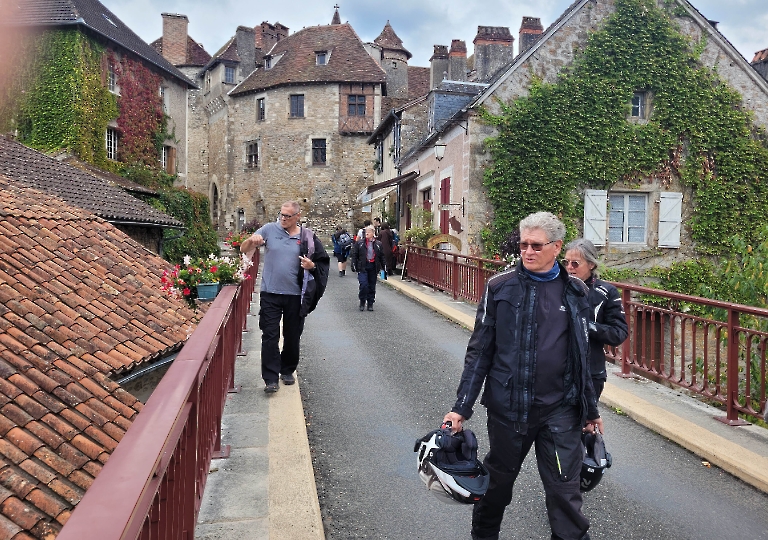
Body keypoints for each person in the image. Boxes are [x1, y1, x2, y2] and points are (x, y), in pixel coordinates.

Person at [443, 211, 602, 540]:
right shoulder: (499, 288)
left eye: (535, 245)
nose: (527, 251)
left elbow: (581, 356)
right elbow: (480, 351)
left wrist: (590, 411)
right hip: (510, 409)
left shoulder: (576, 292)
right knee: (496, 487)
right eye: (523, 244)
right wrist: (461, 407)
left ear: (556, 247)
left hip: (560, 410)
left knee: (565, 494)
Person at [240, 201, 330, 393]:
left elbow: (322, 262)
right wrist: (252, 241)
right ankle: (270, 379)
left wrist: (311, 266)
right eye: (281, 214)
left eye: (287, 216)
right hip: (270, 292)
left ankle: (287, 370)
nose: (283, 218)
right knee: (270, 335)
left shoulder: (308, 237)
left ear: (297, 216)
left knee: (292, 336)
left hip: (296, 295)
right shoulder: (269, 229)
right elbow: (243, 248)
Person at [563, 238, 628, 400]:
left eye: (575, 263)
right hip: (557, 370)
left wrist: (586, 326)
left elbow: (618, 333)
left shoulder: (606, 292)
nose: (569, 268)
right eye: (566, 262)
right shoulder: (556, 287)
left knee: (584, 422)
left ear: (591, 264)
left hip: (591, 372)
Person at [350, 225, 384, 311]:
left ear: (373, 233)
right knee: (364, 285)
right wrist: (354, 264)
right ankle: (362, 301)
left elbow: (381, 256)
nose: (367, 233)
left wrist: (384, 267)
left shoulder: (378, 244)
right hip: (363, 267)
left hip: (373, 267)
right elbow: (355, 254)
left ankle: (370, 303)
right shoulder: (360, 243)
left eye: (369, 232)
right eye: (366, 232)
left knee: (372, 286)